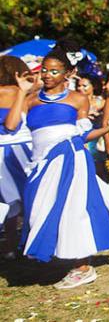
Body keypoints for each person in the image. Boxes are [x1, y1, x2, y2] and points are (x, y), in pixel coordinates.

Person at [19, 44, 109, 288]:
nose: (47, 74)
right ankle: (69, 257)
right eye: (44, 70)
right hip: (39, 163)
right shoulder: (31, 99)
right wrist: (23, 94)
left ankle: (83, 267)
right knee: (37, 210)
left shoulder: (78, 99)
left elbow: (83, 135)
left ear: (67, 74)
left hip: (70, 159)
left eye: (54, 71)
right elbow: (17, 127)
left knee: (72, 210)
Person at [0, 56, 35, 257]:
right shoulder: (28, 95)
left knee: (8, 204)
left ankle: (11, 247)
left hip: (6, 151)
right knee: (28, 199)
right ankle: (29, 243)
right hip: (26, 150)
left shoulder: (4, 92)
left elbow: (10, 125)